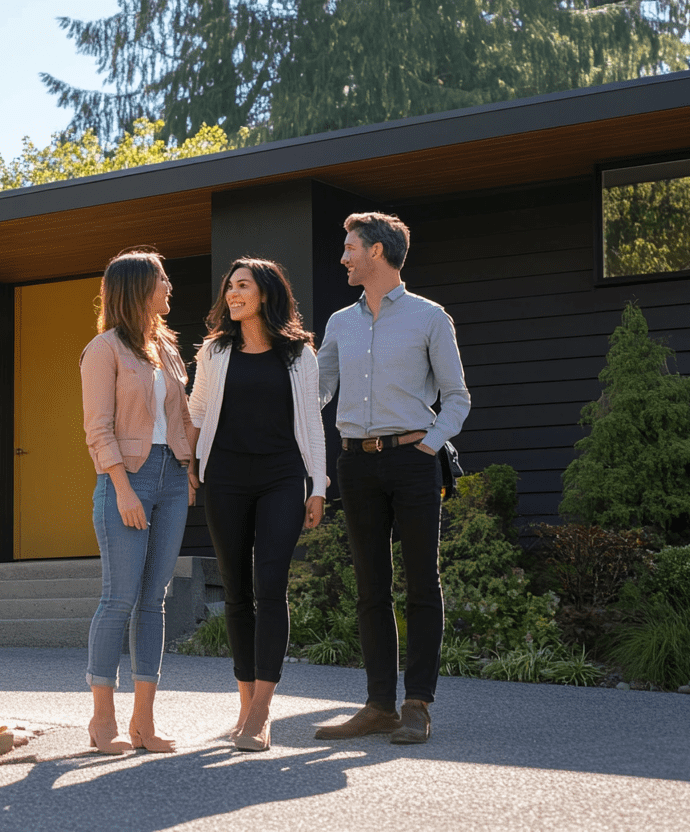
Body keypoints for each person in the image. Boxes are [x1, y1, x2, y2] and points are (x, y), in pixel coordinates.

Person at [315, 212, 470, 745]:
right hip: (356, 463)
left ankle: (417, 704)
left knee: (422, 583)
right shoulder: (339, 323)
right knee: (370, 587)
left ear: (377, 251)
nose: (344, 257)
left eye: (350, 247)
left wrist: (428, 444)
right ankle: (379, 704)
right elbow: (318, 391)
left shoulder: (430, 318)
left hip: (412, 459)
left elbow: (457, 397)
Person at [188, 257, 327, 752]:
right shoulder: (215, 351)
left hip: (281, 477)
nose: (232, 293)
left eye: (242, 285)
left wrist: (319, 485)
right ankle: (245, 705)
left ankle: (264, 712)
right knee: (236, 592)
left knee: (271, 587)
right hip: (224, 477)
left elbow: (311, 421)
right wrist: (189, 462)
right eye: (229, 287)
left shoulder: (298, 355)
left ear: (265, 293)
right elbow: (197, 410)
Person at [80, 248, 198, 754]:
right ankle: (101, 721)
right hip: (125, 479)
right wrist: (123, 488)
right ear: (137, 289)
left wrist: (189, 470)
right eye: (162, 279)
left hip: (171, 478)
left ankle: (143, 724)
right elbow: (97, 428)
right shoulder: (103, 349)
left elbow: (183, 416)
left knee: (155, 601)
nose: (170, 286)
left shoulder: (166, 348)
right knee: (119, 599)